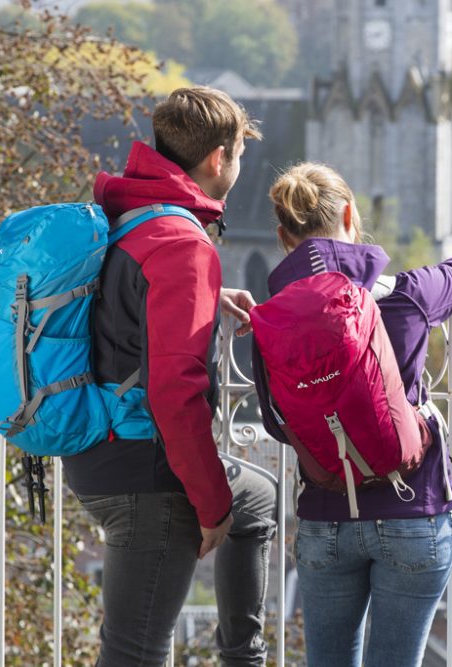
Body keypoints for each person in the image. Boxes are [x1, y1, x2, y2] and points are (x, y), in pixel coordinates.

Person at [252, 162, 452, 667]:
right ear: (351, 215)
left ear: (284, 236)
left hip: (326, 518)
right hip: (412, 510)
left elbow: (275, 421)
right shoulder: (407, 297)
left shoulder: (272, 320)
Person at [61, 87, 276, 667]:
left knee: (257, 497)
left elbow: (120, 307)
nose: (239, 166)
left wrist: (207, 299)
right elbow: (175, 392)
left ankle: (244, 656)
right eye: (239, 156)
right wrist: (210, 505)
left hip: (98, 449)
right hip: (144, 472)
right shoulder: (182, 244)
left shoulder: (128, 216)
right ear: (218, 158)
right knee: (135, 653)